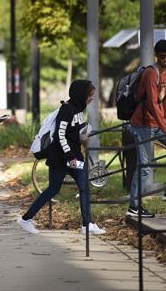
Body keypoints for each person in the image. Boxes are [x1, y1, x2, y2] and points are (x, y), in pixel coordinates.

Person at [17, 80, 106, 236]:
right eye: (90, 95)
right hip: (62, 157)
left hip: (72, 157)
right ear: (81, 94)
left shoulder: (79, 109)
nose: (92, 98)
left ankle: (87, 224)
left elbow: (73, 133)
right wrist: (70, 156)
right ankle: (25, 219)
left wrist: (82, 137)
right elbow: (60, 135)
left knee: (83, 186)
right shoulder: (67, 110)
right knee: (53, 189)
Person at [128, 40, 166, 218]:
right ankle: (134, 206)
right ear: (156, 55)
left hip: (158, 125)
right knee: (145, 166)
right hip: (142, 125)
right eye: (162, 56)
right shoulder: (150, 73)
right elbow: (153, 104)